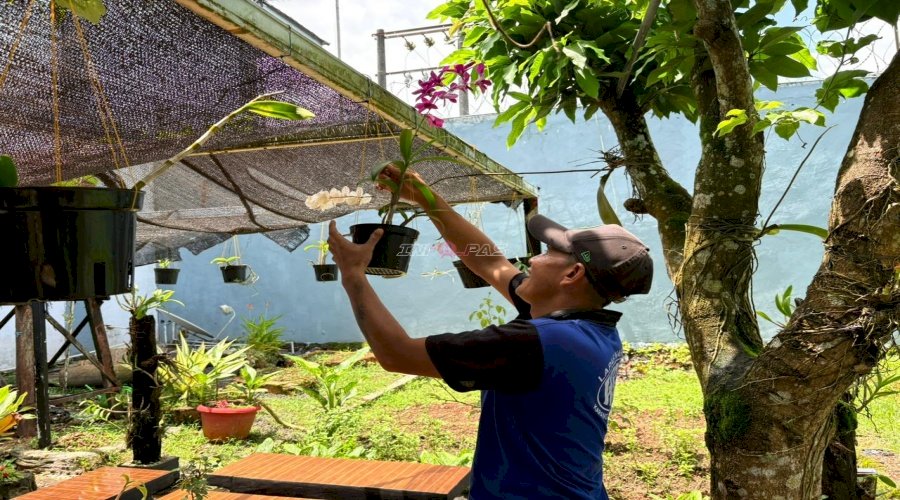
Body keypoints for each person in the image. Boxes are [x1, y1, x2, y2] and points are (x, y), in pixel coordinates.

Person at [327, 166, 653, 499]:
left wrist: (353, 275)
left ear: (572, 274)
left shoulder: (534, 343)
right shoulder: (590, 328)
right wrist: (427, 198)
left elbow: (397, 354)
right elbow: (491, 262)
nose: (534, 260)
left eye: (550, 252)